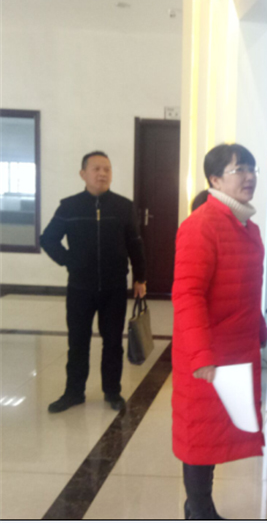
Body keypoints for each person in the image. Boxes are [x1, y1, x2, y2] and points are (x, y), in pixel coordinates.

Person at [171, 143, 267, 519]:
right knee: (200, 434)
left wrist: (259, 328)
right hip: (208, 353)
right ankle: (198, 509)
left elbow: (248, 288)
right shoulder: (201, 225)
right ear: (214, 179)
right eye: (239, 169)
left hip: (237, 348)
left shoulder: (247, 227)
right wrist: (201, 356)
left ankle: (201, 506)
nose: (249, 176)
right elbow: (188, 295)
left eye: (252, 168)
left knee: (214, 432)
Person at [40, 151, 146, 413]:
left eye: (107, 169)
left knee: (113, 342)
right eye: (96, 169)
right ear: (83, 174)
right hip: (80, 288)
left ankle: (112, 391)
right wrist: (69, 260)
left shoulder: (123, 206)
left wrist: (140, 277)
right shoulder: (69, 206)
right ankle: (74, 392)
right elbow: (48, 238)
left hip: (114, 287)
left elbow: (135, 243)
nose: (102, 174)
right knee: (78, 342)